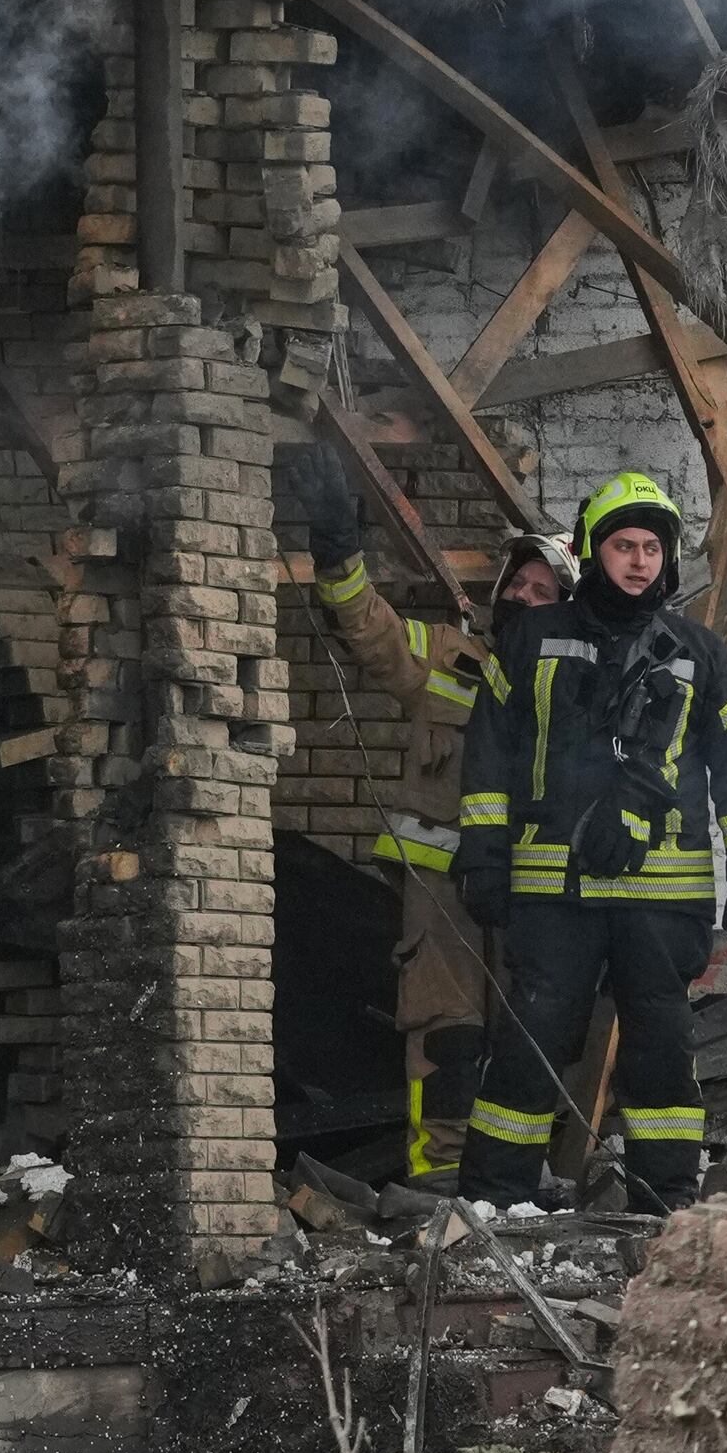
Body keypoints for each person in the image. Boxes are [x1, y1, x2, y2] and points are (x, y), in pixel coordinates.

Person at [449, 470, 727, 1213]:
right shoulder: (530, 640)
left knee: (660, 1053)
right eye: (624, 545)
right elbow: (489, 756)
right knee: (532, 1042)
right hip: (552, 890)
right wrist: (484, 854)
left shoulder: (700, 651)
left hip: (663, 898)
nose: (639, 560)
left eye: (652, 548)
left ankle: (665, 1207)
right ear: (594, 551)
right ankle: (494, 1203)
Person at [279, 446, 562, 1177]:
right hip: (443, 895)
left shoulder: (578, 691)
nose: (524, 596)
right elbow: (367, 627)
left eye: (543, 590)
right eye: (518, 583)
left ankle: (515, 1181)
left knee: (530, 1033)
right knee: (447, 1033)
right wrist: (337, 545)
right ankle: (438, 1177)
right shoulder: (447, 659)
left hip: (536, 889)